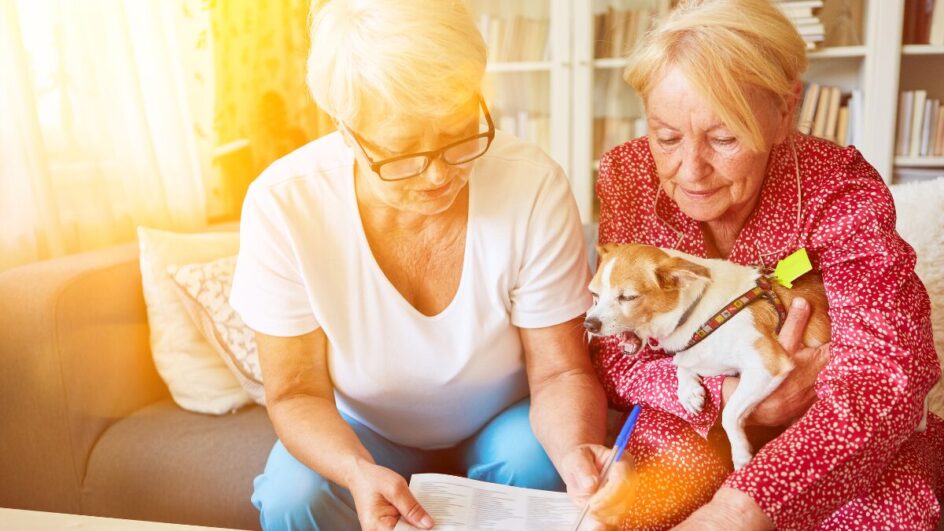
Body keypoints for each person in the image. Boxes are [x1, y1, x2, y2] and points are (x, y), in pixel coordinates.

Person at [228, 1, 609, 530]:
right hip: (365, 432)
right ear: (346, 130)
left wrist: (575, 452)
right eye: (403, 153)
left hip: (505, 423)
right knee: (296, 495)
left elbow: (561, 369)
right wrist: (356, 470)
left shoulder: (532, 183)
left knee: (541, 462)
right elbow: (296, 393)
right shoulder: (284, 204)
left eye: (458, 135)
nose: (436, 177)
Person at [585, 0, 944, 529]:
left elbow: (888, 370)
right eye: (666, 137)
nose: (691, 170)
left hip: (833, 431)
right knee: (628, 508)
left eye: (724, 138)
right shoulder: (628, 173)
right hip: (694, 427)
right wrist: (730, 393)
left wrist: (744, 506)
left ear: (784, 112)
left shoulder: (838, 186)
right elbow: (618, 354)